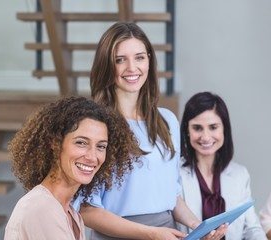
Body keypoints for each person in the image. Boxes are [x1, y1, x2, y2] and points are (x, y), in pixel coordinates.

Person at [76, 22, 227, 240]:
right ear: (107, 66)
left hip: (166, 231)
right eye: (120, 60)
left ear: (149, 60)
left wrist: (198, 226)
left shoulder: (167, 121)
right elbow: (87, 210)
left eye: (139, 57)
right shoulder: (96, 124)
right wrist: (151, 234)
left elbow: (172, 195)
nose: (132, 68)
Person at [4, 96, 141, 240]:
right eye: (81, 143)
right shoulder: (41, 209)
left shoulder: (71, 214)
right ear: (54, 143)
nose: (93, 157)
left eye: (101, 146)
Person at [177, 91, 267, 240]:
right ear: (187, 130)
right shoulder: (175, 174)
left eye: (213, 127)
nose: (205, 137)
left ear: (224, 128)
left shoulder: (240, 174)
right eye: (197, 128)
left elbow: (252, 228)